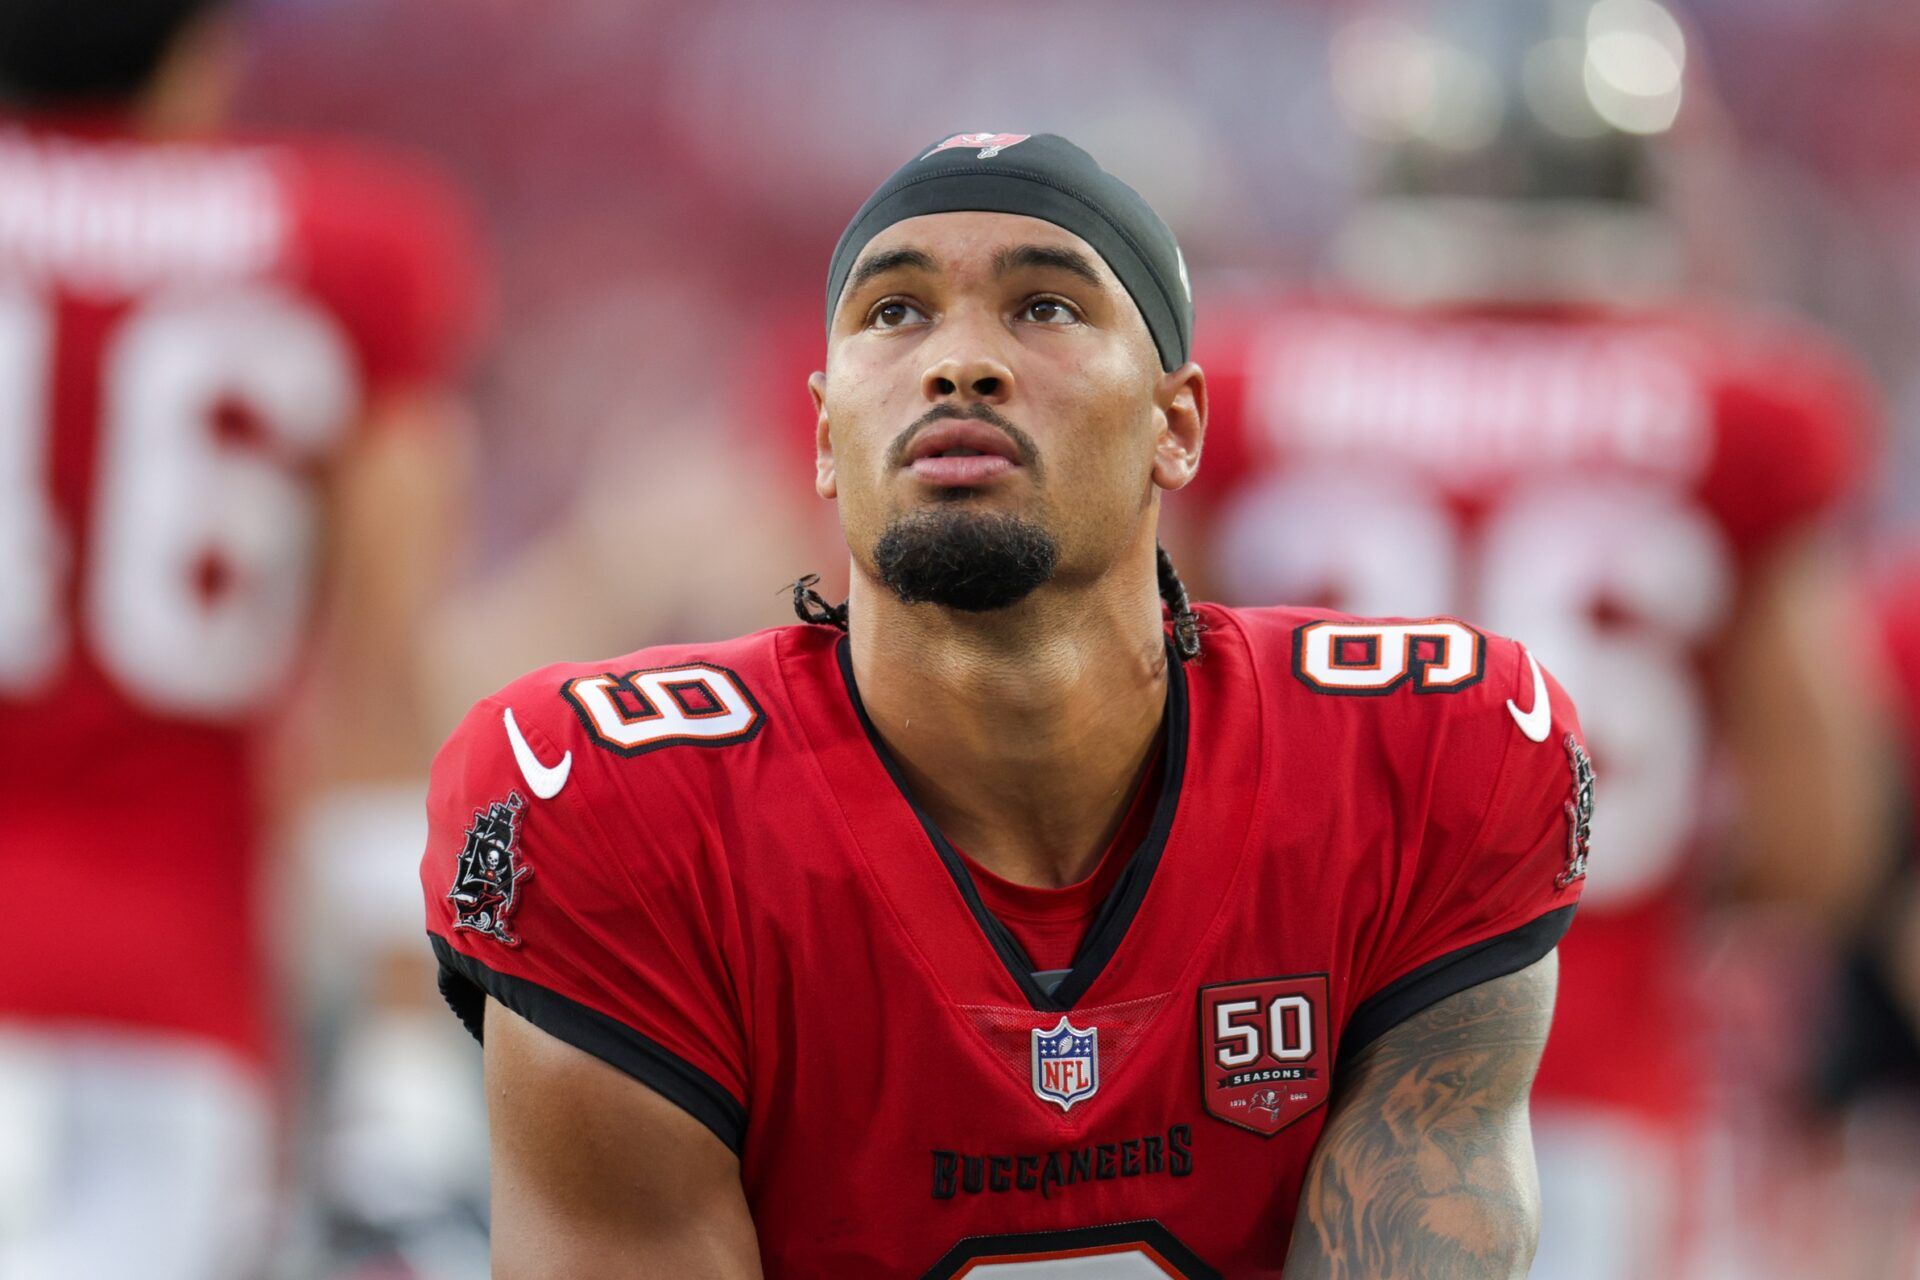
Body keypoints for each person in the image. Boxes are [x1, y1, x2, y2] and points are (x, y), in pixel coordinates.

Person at [423, 131, 1591, 1277]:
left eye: (1046, 306)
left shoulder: (1424, 754)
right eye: (896, 311)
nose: (960, 362)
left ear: (1176, 426)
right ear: (824, 435)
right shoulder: (621, 808)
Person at [1192, 3, 1889, 1275]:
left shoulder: (1242, 389)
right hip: (1599, 1083)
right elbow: (1819, 835)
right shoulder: (1741, 404)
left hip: (1294, 1085)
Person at [0, 1, 485, 1276]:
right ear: (197, 50)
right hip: (157, 998)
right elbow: (380, 669)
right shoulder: (348, 243)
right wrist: (402, 1035)